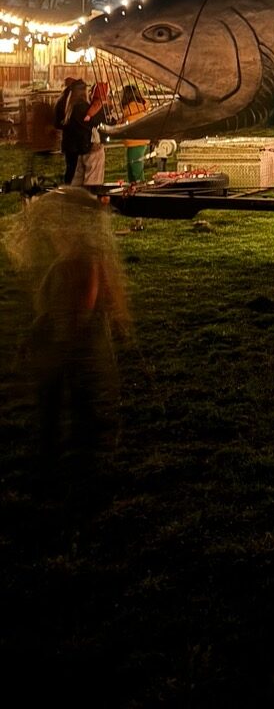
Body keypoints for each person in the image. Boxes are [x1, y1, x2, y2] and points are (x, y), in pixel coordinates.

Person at [4, 186, 131, 470]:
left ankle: (83, 459)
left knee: (81, 405)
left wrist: (62, 345)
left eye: (57, 228)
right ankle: (61, 454)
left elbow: (81, 310)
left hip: (76, 353)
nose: (52, 235)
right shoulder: (70, 261)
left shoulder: (84, 263)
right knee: (59, 406)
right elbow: (53, 309)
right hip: (61, 350)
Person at [73, 82, 111, 186]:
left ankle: (75, 199)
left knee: (79, 179)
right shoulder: (98, 109)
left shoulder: (76, 108)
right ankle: (89, 200)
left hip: (81, 147)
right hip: (94, 147)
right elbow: (106, 123)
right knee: (93, 180)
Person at [120, 84, 150, 183]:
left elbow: (122, 122)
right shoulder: (141, 106)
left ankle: (139, 188)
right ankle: (135, 186)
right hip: (141, 140)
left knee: (135, 168)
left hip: (134, 141)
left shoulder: (129, 108)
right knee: (133, 166)